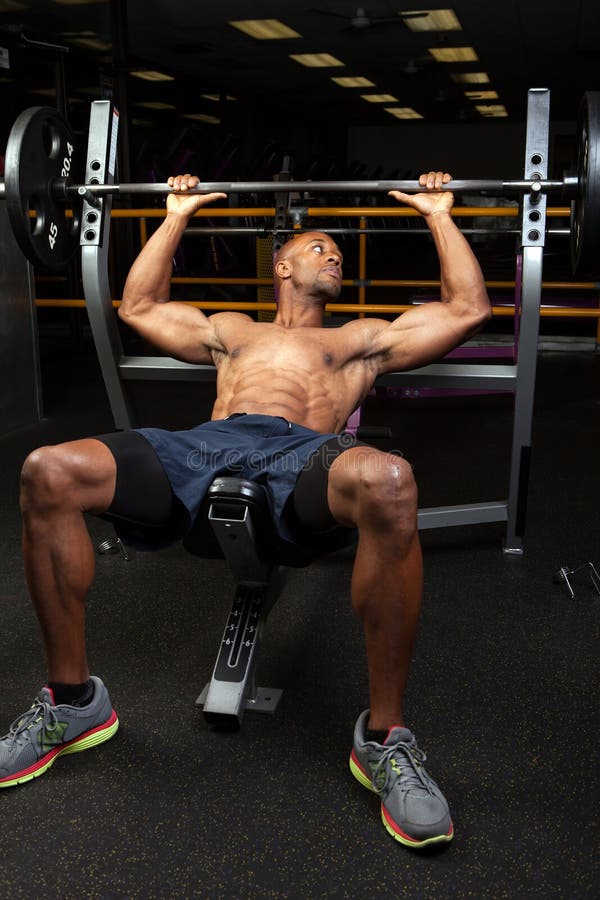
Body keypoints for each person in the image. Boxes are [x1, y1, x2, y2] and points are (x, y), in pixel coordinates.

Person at [0, 171, 491, 849]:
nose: (336, 257)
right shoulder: (232, 330)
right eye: (320, 249)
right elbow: (139, 306)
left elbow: (466, 309)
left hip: (302, 454)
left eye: (338, 254)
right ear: (281, 265)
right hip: (204, 447)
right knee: (47, 469)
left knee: (390, 479)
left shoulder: (359, 338)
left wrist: (439, 215)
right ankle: (71, 703)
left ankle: (385, 738)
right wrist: (175, 215)